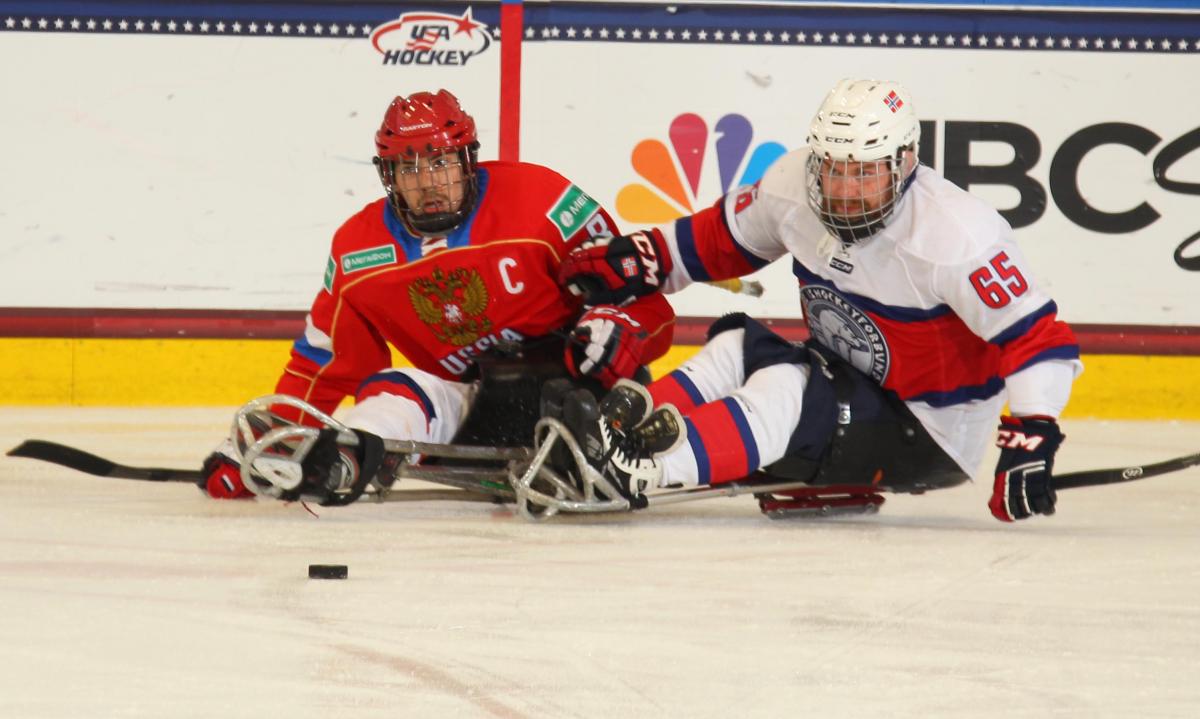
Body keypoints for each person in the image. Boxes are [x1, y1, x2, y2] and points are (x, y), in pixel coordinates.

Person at [553, 78, 1082, 521]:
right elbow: (720, 240)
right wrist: (645, 258)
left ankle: (638, 470)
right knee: (737, 345)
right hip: (850, 381)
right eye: (834, 168)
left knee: (784, 384)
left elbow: (1038, 337)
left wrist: (1032, 434)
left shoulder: (957, 236)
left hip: (929, 428)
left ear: (906, 163)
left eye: (865, 172)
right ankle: (614, 435)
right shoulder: (792, 184)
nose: (846, 191)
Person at [202, 89, 675, 498]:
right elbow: (321, 364)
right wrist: (267, 446)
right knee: (388, 392)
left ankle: (629, 446)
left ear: (467, 160)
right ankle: (348, 457)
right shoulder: (357, 251)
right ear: (388, 175)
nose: (428, 182)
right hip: (474, 405)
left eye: (440, 162)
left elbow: (644, 302)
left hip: (579, 389)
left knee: (580, 394)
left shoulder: (542, 200)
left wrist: (620, 332)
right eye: (409, 168)